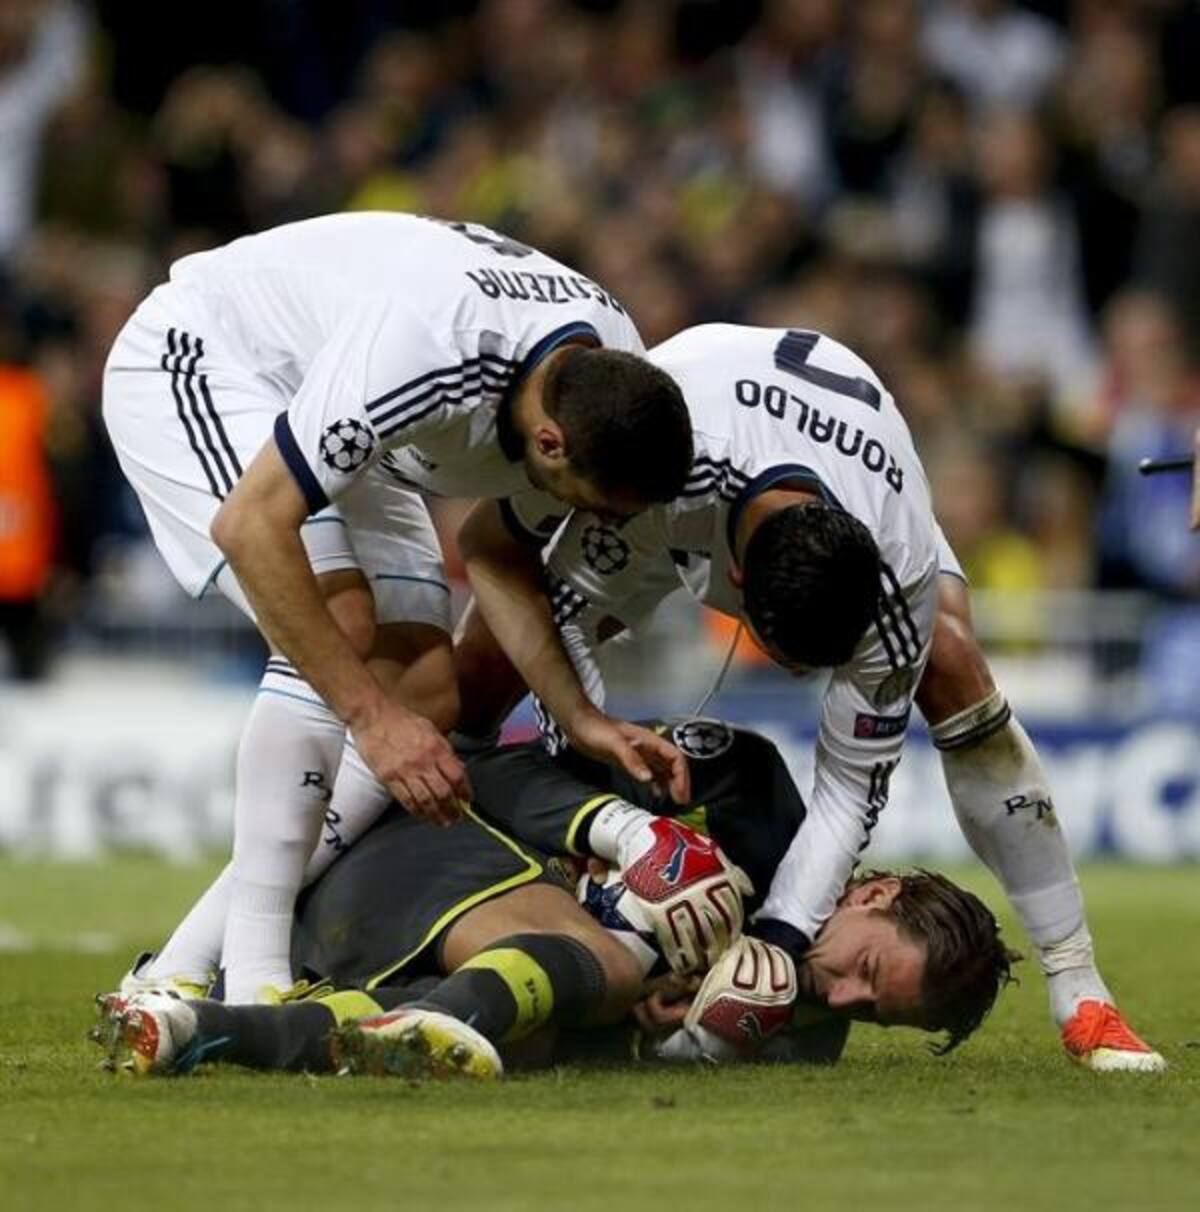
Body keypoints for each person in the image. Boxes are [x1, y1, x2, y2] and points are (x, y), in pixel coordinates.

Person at [458, 322, 1165, 1072]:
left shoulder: (898, 576)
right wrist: (595, 815)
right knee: (493, 661)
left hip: (857, 479)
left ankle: (1080, 990)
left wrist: (780, 940)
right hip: (692, 422)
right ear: (734, 589)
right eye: (794, 660)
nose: (800, 679)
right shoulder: (657, 482)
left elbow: (851, 786)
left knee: (950, 657)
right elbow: (554, 622)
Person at [102, 212, 693, 1004]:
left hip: (336, 400)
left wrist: (576, 714)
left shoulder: (607, 378)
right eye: (600, 508)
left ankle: (175, 970)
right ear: (549, 444)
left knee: (425, 690)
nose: (604, 529)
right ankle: (254, 982)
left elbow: (497, 554)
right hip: (209, 357)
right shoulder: (429, 351)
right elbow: (252, 525)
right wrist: (372, 724)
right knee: (340, 631)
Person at [94, 722, 1015, 1078]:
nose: (842, 1001)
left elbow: (628, 1063)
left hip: (371, 955)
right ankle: (421, 1023)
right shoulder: (743, 791)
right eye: (865, 970)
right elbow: (489, 767)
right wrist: (613, 832)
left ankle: (197, 1029)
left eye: (873, 1012)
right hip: (407, 865)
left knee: (528, 1042)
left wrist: (671, 1040)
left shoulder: (799, 1038)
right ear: (876, 890)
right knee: (606, 965)